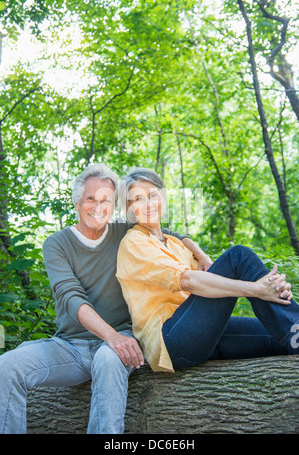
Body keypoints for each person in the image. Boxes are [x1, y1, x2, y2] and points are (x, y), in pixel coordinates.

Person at [0, 163, 206, 434]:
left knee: (108, 360)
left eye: (106, 200)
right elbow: (71, 298)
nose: (98, 207)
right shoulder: (57, 244)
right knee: (7, 365)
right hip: (71, 347)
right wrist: (111, 336)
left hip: (120, 341)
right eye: (90, 199)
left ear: (114, 205)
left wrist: (200, 254)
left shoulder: (125, 234)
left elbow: (169, 235)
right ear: (77, 202)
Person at [116, 168, 299, 373]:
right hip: (170, 339)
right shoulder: (133, 243)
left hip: (200, 331)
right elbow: (189, 281)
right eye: (138, 199)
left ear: (163, 197)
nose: (148, 204)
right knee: (238, 257)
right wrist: (256, 289)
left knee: (280, 340)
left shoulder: (176, 244)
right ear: (129, 208)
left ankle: (294, 326)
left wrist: (276, 291)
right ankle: (296, 323)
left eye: (153, 195)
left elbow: (211, 278)